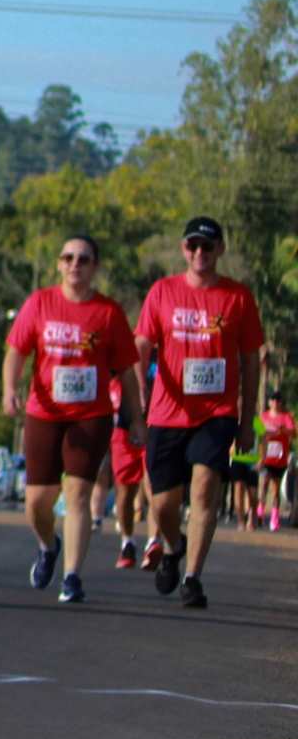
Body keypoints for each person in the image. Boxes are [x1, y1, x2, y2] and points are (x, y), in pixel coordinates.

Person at [1, 234, 142, 603]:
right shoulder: (40, 302)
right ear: (59, 264)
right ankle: (48, 545)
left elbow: (128, 370)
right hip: (44, 412)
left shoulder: (108, 312)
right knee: (38, 501)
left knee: (78, 493)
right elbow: (16, 352)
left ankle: (73, 577)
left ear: (95, 266)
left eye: (83, 258)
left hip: (91, 414)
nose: (75, 264)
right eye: (68, 257)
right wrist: (9, 389)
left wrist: (137, 418)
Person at [135, 216, 265, 608]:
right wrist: (139, 387)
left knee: (205, 487)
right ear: (184, 249)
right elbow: (142, 343)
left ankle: (192, 578)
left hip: (216, 410)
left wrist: (246, 421)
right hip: (167, 411)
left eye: (208, 246)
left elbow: (251, 361)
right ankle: (173, 546)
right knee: (163, 503)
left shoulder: (238, 298)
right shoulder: (163, 291)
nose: (200, 253)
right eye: (193, 245)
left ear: (220, 250)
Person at [107, 368, 152, 567]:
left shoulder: (167, 352)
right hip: (125, 429)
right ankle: (127, 541)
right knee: (125, 494)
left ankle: (154, 541)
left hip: (157, 426)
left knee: (154, 486)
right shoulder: (126, 356)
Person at [261, 391, 292, 534]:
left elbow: (294, 433)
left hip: (279, 459)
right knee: (264, 484)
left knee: (275, 490)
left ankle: (274, 518)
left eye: (278, 401)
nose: (276, 403)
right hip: (266, 458)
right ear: (269, 403)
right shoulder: (263, 417)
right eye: (273, 400)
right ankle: (259, 512)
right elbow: (258, 432)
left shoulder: (286, 417)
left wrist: (282, 429)